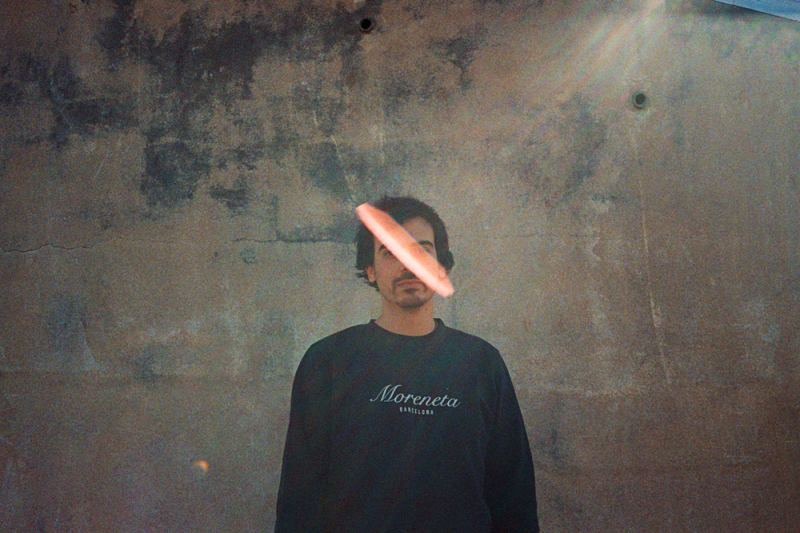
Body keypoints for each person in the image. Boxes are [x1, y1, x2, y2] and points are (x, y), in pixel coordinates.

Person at [275, 196, 539, 532]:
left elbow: (514, 498)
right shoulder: (328, 361)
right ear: (370, 269)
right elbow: (300, 500)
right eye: (390, 252)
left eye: (421, 250)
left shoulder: (482, 364)